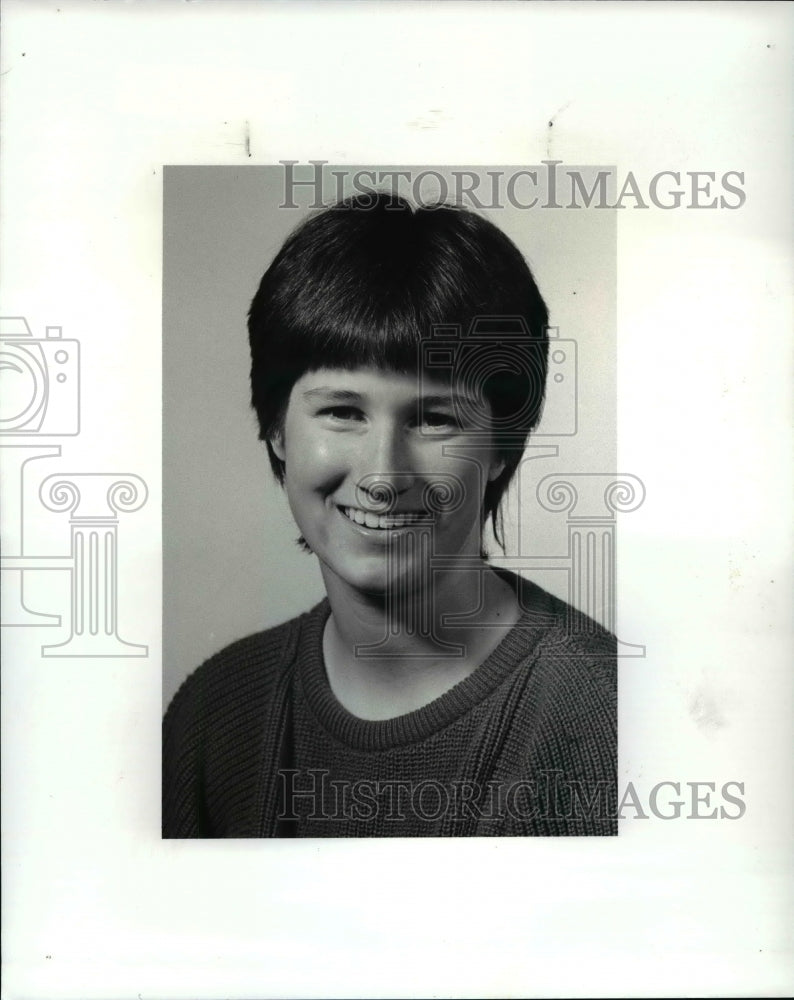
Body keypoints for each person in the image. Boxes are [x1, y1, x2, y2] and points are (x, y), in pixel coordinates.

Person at [162, 192, 617, 838]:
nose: (382, 475)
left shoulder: (608, 720)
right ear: (277, 430)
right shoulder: (213, 713)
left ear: (500, 448)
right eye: (343, 412)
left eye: (434, 418)